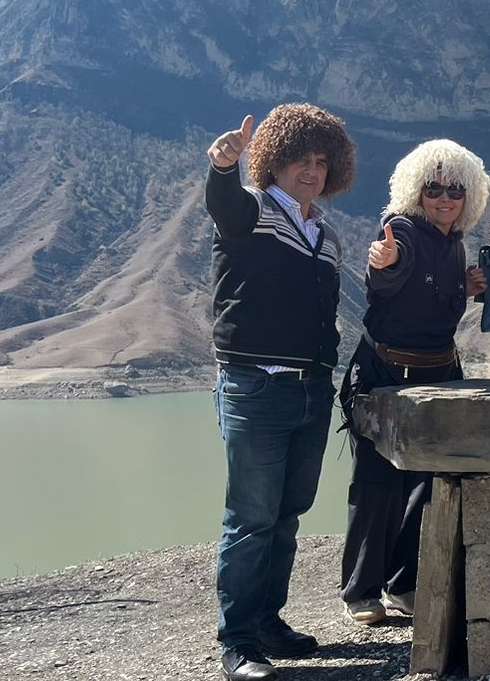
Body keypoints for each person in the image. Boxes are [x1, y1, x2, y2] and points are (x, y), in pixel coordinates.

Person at [205, 105, 356, 681]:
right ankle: (238, 643)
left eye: (320, 161)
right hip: (256, 387)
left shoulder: (326, 235)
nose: (311, 171)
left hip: (311, 389)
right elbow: (224, 204)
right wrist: (223, 167)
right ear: (274, 161)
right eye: (299, 159)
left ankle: (268, 622)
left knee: (287, 515)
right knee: (251, 518)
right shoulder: (253, 210)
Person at [337, 140, 489, 627]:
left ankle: (404, 585)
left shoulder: (454, 243)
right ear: (416, 191)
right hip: (385, 376)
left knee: (425, 485)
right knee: (377, 485)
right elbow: (387, 269)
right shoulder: (402, 229)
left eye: (455, 190)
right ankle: (361, 591)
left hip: (437, 375)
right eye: (433, 189)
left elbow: (432, 299)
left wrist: (466, 286)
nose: (444, 198)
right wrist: (383, 260)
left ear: (469, 196)